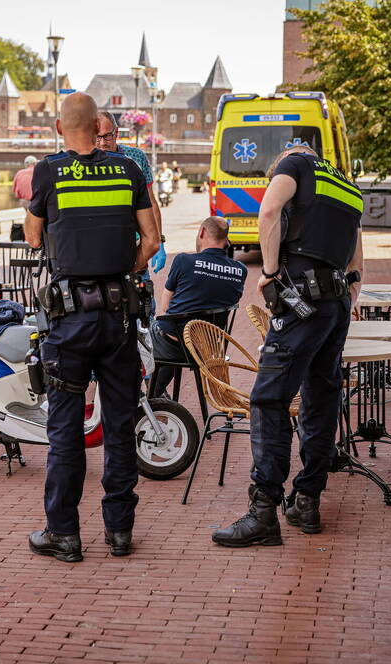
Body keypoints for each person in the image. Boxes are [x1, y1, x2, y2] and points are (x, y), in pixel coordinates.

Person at [24, 92, 159, 562]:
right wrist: (125, 270)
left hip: (68, 322)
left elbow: (35, 235)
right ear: (98, 125)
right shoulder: (128, 170)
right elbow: (153, 239)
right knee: (120, 428)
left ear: (61, 129)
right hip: (118, 319)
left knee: (66, 430)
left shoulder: (48, 171)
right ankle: (119, 532)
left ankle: (64, 534)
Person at [211, 145, 363, 548]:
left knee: (268, 399)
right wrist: (350, 297)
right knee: (321, 398)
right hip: (335, 303)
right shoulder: (347, 186)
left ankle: (263, 511)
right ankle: (307, 501)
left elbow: (268, 211)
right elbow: (356, 260)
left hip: (302, 298)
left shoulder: (293, 164)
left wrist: (272, 273)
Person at [149, 216, 247, 397]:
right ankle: (156, 395)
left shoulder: (184, 260)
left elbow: (165, 306)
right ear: (226, 240)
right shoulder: (240, 270)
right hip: (208, 347)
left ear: (201, 232)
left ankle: (150, 395)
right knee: (173, 334)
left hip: (175, 343)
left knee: (143, 334)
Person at [96, 111, 165, 273]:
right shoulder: (84, 161)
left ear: (117, 133)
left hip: (133, 244)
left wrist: (159, 241)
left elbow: (151, 202)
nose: (102, 143)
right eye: (97, 137)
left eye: (107, 136)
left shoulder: (136, 156)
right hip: (98, 245)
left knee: (141, 294)